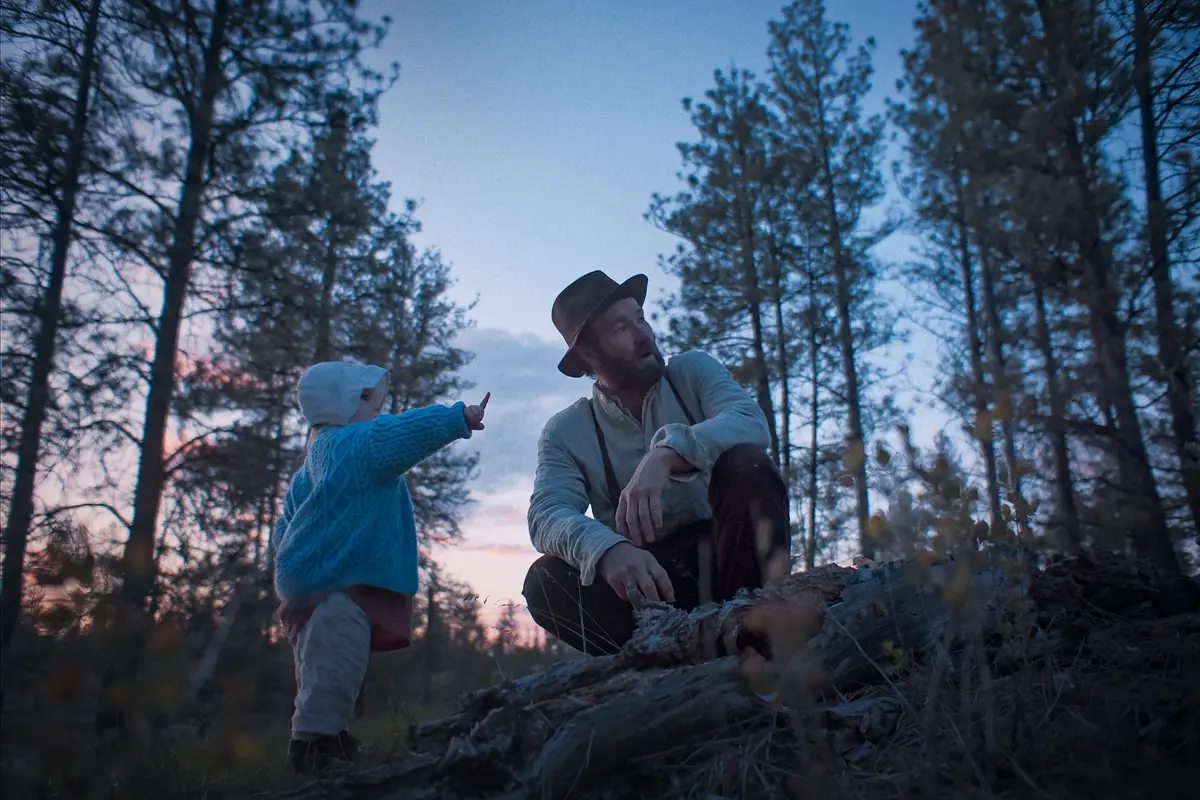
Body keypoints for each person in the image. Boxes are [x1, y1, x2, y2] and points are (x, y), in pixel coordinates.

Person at [523, 270, 791, 656]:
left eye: (641, 319)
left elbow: (750, 422)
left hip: (733, 558)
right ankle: (658, 661)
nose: (644, 335)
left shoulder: (692, 372)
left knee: (747, 465)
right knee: (545, 580)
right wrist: (605, 549)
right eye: (621, 328)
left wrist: (666, 454)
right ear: (587, 356)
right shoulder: (566, 431)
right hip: (647, 586)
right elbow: (546, 514)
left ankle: (755, 637)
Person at [273, 360, 489, 774]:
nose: (377, 408)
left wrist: (289, 564)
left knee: (320, 669)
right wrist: (456, 418)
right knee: (336, 665)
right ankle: (314, 747)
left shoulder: (311, 463)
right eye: (367, 399)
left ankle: (329, 735)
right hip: (340, 587)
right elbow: (406, 431)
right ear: (341, 404)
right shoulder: (359, 444)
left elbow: (286, 524)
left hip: (309, 589)